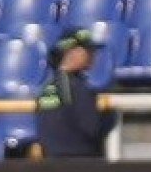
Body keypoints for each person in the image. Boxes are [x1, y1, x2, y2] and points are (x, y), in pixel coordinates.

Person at [35, 27, 112, 159]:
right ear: (73, 52)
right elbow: (92, 128)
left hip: (52, 165)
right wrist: (111, 117)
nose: (93, 55)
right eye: (88, 50)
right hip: (79, 167)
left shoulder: (47, 87)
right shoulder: (77, 87)